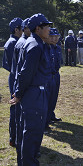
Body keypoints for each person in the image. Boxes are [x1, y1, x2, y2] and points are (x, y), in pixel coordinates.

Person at [9, 13, 52, 165]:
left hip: (33, 93)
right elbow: (26, 72)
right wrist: (19, 93)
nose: (49, 29)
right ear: (38, 28)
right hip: (34, 95)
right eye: (46, 26)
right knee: (32, 134)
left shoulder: (34, 42)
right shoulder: (35, 46)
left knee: (26, 133)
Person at [11, 18, 31, 160]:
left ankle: (17, 141)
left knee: (18, 115)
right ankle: (18, 143)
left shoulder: (20, 41)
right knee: (18, 116)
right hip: (19, 81)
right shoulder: (20, 43)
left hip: (17, 79)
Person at [2, 17, 23, 147]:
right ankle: (14, 138)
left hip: (16, 77)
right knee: (15, 108)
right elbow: (10, 64)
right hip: (15, 78)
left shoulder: (15, 41)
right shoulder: (12, 43)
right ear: (16, 29)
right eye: (22, 28)